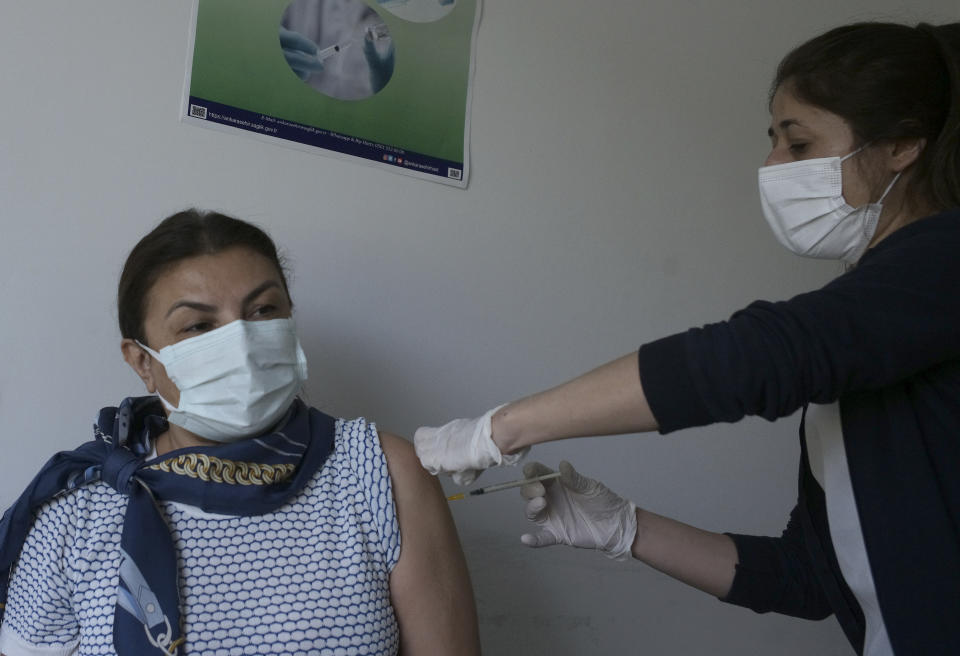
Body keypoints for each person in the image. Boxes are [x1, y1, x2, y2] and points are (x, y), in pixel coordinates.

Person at [415, 21, 960, 656]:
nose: (771, 166)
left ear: (901, 147)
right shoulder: (872, 343)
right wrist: (623, 527)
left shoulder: (943, 262)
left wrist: (501, 427)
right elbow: (809, 580)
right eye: (773, 142)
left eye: (799, 143)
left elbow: (758, 356)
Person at [0, 210, 480, 656]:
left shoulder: (380, 472)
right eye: (198, 325)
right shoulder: (77, 510)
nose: (242, 342)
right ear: (143, 361)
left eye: (263, 310)